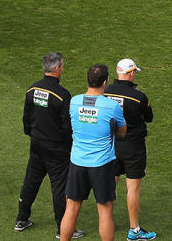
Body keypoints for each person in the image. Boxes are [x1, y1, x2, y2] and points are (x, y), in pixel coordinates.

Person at [14, 53, 83, 239]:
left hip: (36, 143)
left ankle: (21, 219)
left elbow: (26, 117)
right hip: (57, 148)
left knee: (31, 180)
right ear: (57, 68)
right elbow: (67, 126)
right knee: (59, 187)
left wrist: (31, 133)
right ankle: (63, 229)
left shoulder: (32, 89)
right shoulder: (62, 95)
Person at [58, 64, 126, 241]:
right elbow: (122, 132)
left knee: (71, 209)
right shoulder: (112, 107)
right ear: (105, 82)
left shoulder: (74, 101)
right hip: (102, 164)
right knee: (104, 211)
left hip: (78, 162)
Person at [103, 59, 156, 240]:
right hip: (133, 146)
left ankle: (106, 221)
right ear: (131, 73)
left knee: (111, 183)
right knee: (133, 188)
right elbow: (149, 117)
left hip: (111, 144)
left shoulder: (105, 92)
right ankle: (134, 229)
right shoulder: (139, 96)